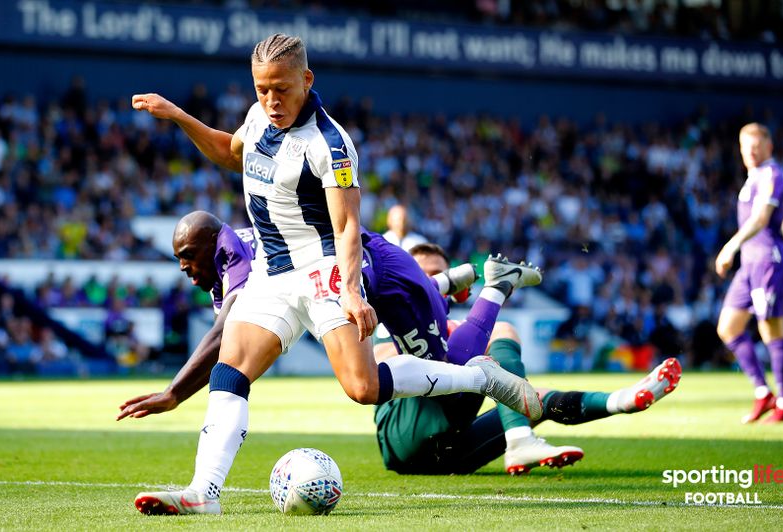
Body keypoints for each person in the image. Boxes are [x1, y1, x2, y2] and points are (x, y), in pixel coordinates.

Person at [125, 34, 540, 515]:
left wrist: (352, 291)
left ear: (307, 80)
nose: (271, 100)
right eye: (262, 89)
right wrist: (178, 116)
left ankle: (476, 377)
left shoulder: (330, 144)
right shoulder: (257, 118)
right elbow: (230, 152)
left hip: (323, 266)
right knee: (230, 370)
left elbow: (346, 226)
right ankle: (204, 492)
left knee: (362, 388)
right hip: (272, 272)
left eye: (281, 89)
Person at [373, 244, 681, 475]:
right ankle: (520, 438)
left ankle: (619, 401)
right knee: (500, 331)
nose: (433, 282)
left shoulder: (460, 331)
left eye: (438, 274)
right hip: (405, 434)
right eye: (425, 275)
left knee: (529, 400)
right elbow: (383, 364)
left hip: (450, 453)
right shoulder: (394, 322)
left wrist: (619, 401)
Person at [715, 123, 783, 424]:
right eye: (746, 147)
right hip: (749, 264)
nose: (751, 152)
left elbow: (763, 218)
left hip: (767, 261)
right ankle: (763, 393)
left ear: (769, 147)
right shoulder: (755, 177)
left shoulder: (773, 174)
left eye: (756, 146)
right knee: (728, 328)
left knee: (772, 331)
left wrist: (730, 246)